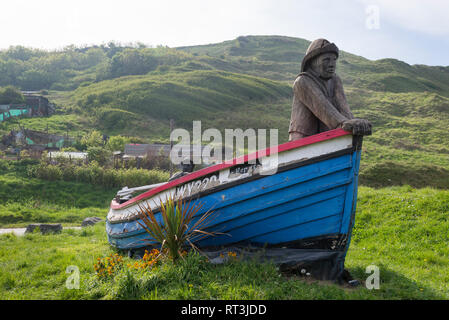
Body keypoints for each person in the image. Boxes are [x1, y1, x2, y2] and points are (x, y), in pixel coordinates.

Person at [289, 39, 372, 141]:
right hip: (303, 138)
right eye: (326, 60)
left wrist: (354, 122)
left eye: (334, 60)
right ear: (312, 61)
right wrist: (342, 123)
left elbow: (344, 108)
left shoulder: (335, 80)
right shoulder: (302, 81)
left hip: (327, 135)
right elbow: (321, 106)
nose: (332, 64)